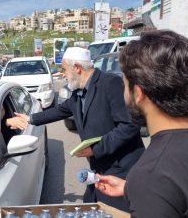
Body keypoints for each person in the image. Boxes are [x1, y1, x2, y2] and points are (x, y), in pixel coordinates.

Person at [94, 30, 188, 217]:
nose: (124, 94)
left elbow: (165, 182)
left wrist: (145, 189)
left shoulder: (151, 173)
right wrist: (132, 189)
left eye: (124, 85)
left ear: (139, 93)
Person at [10, 47, 145, 211]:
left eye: (64, 69)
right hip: (99, 169)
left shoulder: (110, 84)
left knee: (115, 212)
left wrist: (95, 149)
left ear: (77, 68)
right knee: (90, 208)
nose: (63, 75)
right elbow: (59, 111)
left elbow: (129, 125)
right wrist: (30, 119)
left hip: (121, 169)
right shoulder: (77, 94)